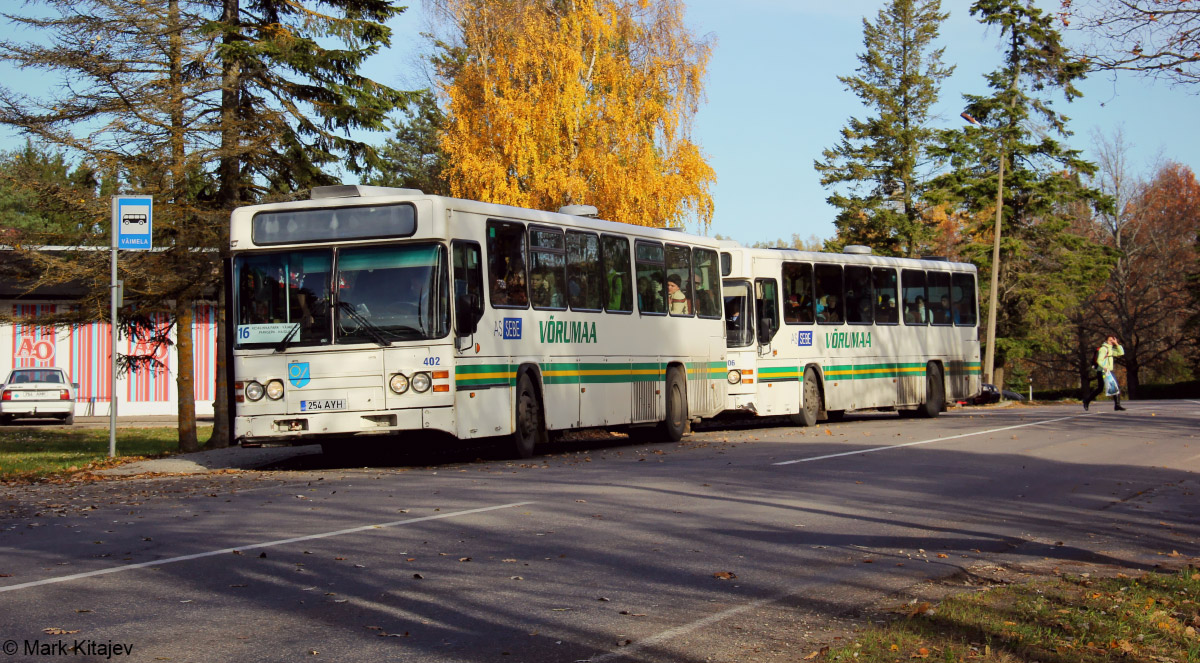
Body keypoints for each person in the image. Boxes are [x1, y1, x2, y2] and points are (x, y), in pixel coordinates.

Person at [1083, 335, 1126, 411]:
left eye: (1113, 340)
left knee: (1115, 386)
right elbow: (1099, 360)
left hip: (1109, 371)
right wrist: (1104, 367)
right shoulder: (1103, 349)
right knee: (1100, 388)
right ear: (1106, 340)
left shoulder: (1111, 349)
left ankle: (1117, 405)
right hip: (1103, 371)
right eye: (1110, 340)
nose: (1111, 342)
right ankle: (1087, 400)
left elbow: (1121, 353)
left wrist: (1117, 344)